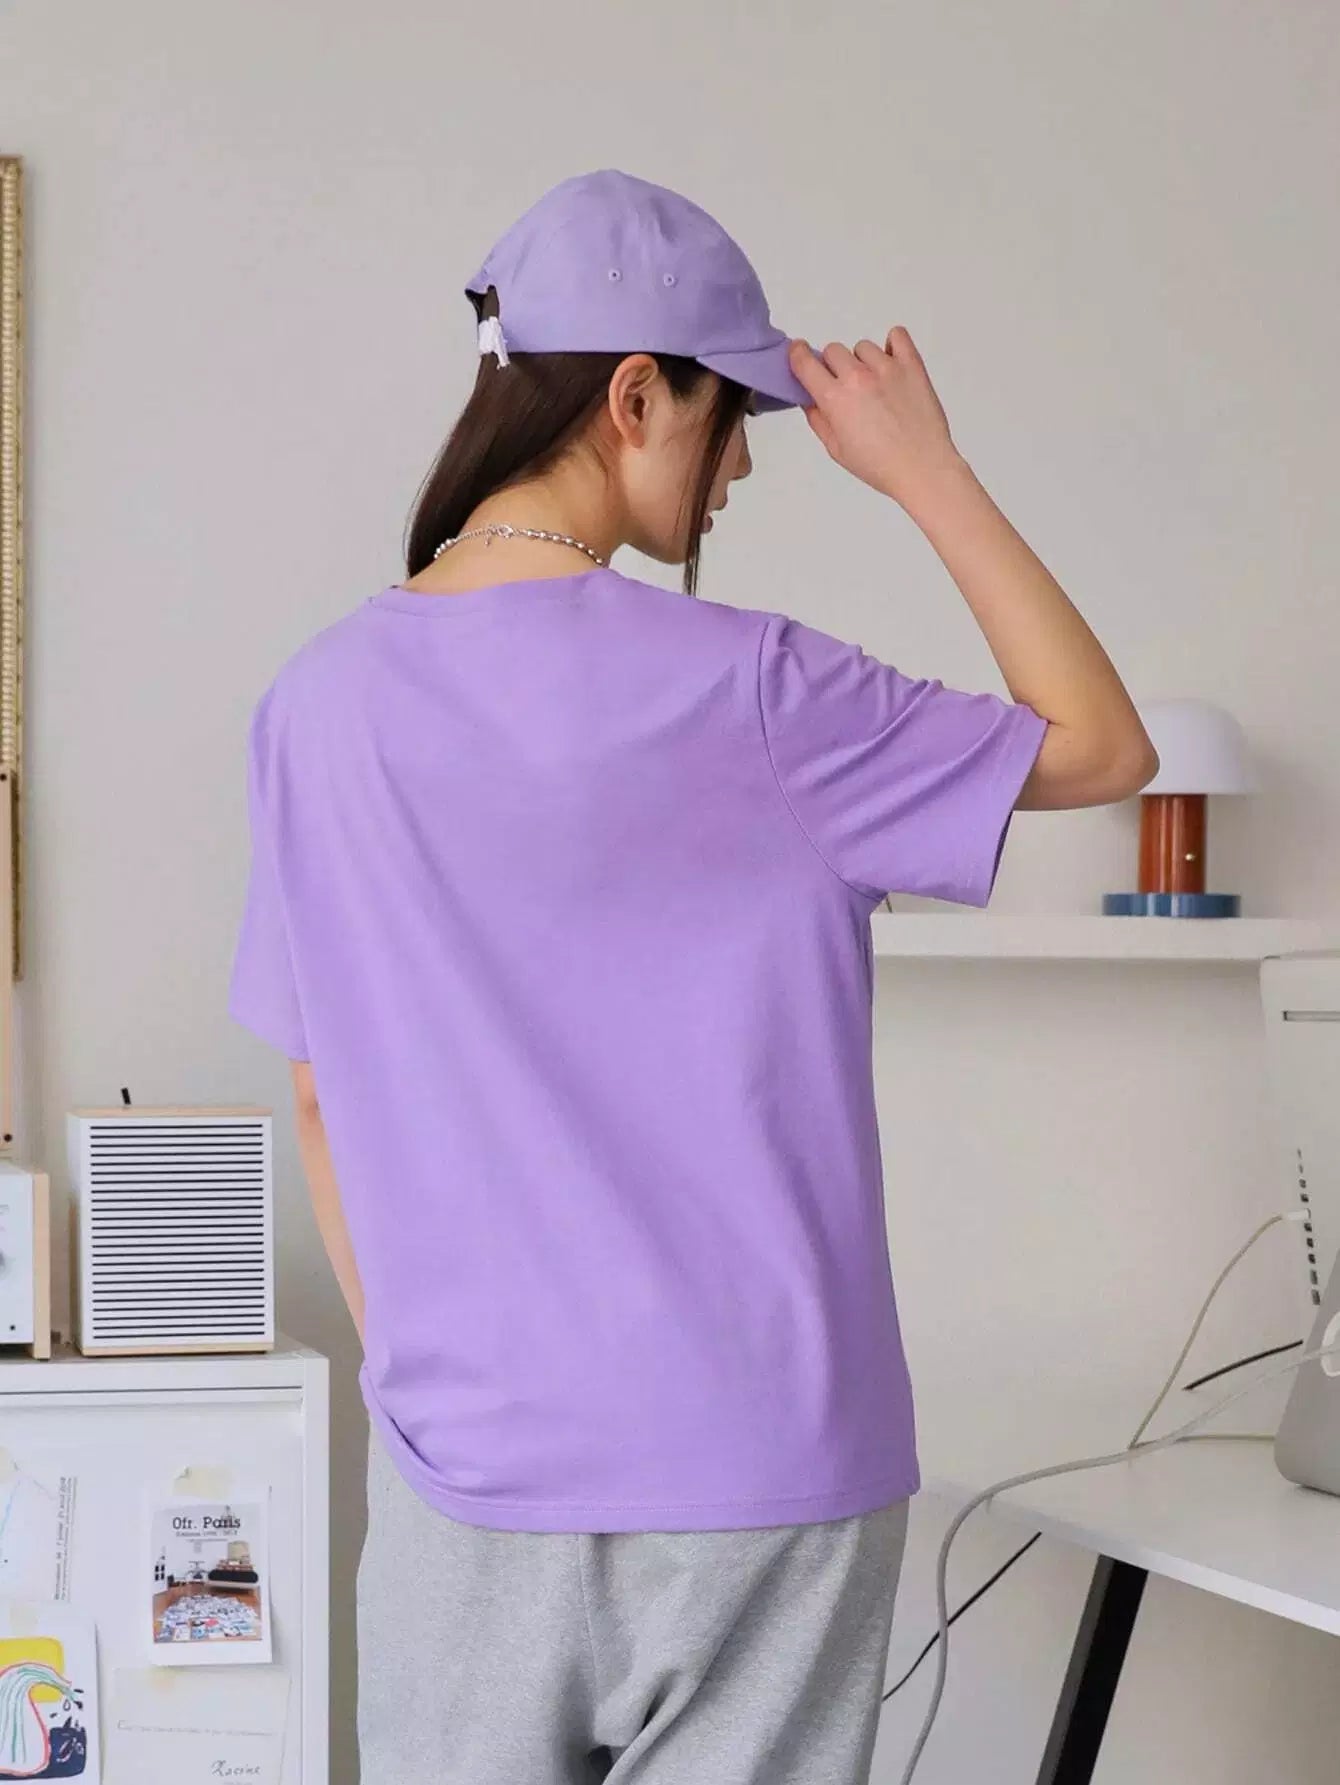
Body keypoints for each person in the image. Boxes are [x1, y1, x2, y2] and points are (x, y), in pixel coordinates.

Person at [227, 168, 1156, 1785]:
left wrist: (436, 1389)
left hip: (468, 1478)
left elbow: (321, 1096)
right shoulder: (766, 693)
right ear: (635, 395)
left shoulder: (316, 706)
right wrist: (926, 472)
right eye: (732, 419)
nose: (739, 467)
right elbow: (1103, 746)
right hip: (761, 1473)